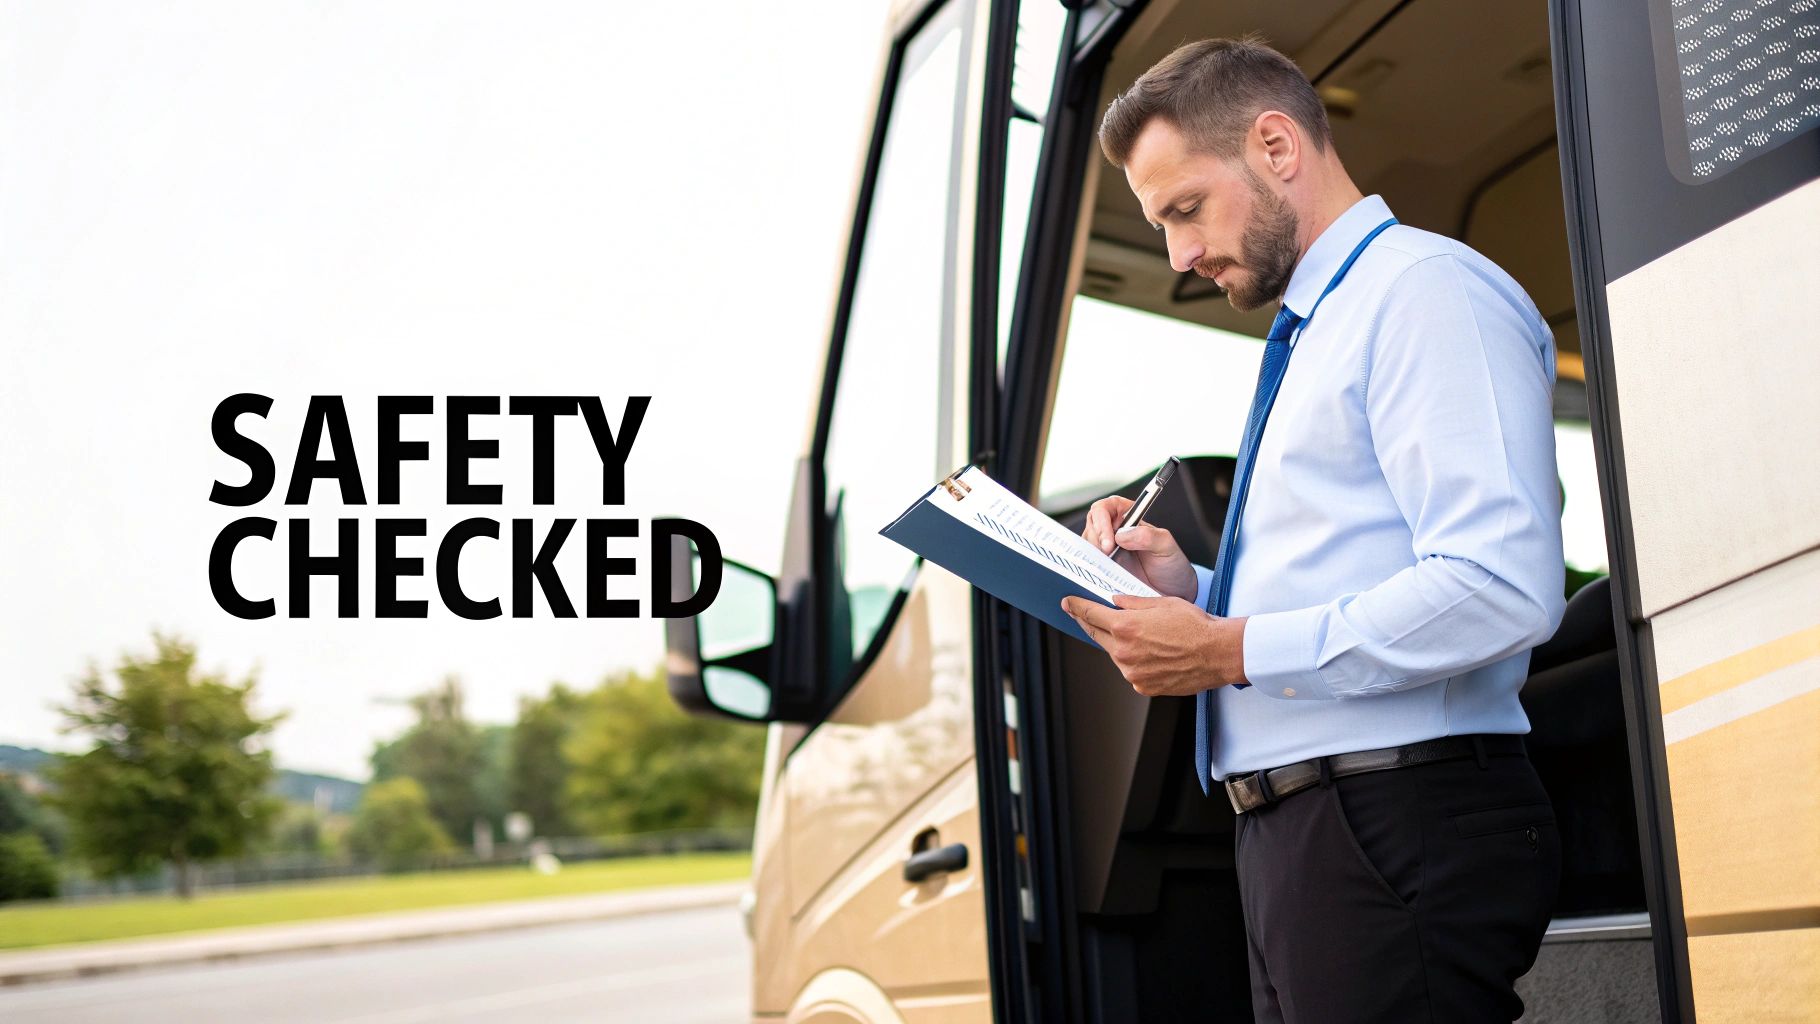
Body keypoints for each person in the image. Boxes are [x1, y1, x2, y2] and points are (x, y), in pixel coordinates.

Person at [1059, 36, 1566, 1023]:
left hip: (1391, 822)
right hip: (1313, 833)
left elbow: (1498, 585)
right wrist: (1196, 590)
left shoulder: (1422, 293)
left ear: (1275, 147)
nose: (1177, 254)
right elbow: (1357, 560)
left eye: (1183, 209)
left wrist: (1224, 647)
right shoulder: (1325, 323)